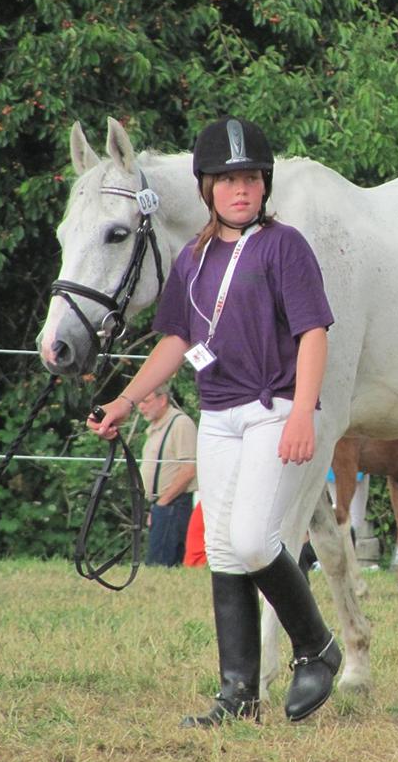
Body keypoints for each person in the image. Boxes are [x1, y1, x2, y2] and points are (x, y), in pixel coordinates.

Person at [88, 116, 339, 726]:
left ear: (265, 184)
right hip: (218, 415)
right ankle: (237, 695)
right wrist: (124, 400)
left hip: (272, 409)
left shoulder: (285, 247)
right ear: (207, 189)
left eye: (251, 178)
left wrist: (304, 410)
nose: (241, 190)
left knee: (255, 540)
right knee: (225, 549)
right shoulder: (195, 258)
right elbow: (176, 341)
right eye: (228, 181)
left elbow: (312, 334)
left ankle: (318, 648)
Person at [137, 386, 198, 567]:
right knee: (156, 562)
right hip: (162, 505)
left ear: (162, 400)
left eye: (146, 401)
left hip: (174, 505)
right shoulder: (156, 426)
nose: (141, 407)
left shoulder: (180, 424)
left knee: (160, 565)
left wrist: (163, 502)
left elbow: (189, 469)